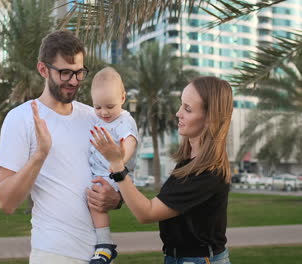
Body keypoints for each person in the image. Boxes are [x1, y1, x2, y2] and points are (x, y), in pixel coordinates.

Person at [0, 29, 122, 264]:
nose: (74, 81)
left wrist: (115, 198)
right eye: (65, 73)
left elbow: (114, 172)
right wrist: (40, 154)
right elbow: (6, 202)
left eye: (79, 73)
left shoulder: (94, 117)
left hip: (101, 254)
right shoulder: (21, 118)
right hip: (54, 255)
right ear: (43, 69)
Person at [91, 76, 233, 264]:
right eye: (181, 105)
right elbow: (157, 204)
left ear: (210, 118)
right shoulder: (189, 162)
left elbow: (147, 213)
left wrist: (117, 165)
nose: (178, 113)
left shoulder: (207, 173)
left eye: (188, 109)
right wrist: (117, 197)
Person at [87, 67, 138, 264]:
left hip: (113, 174)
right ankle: (103, 243)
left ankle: (104, 244)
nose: (104, 112)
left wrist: (119, 161)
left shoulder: (124, 119)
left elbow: (130, 141)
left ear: (123, 98)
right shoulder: (100, 118)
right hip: (101, 172)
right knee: (93, 202)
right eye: (98, 107)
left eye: (109, 106)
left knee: (96, 204)